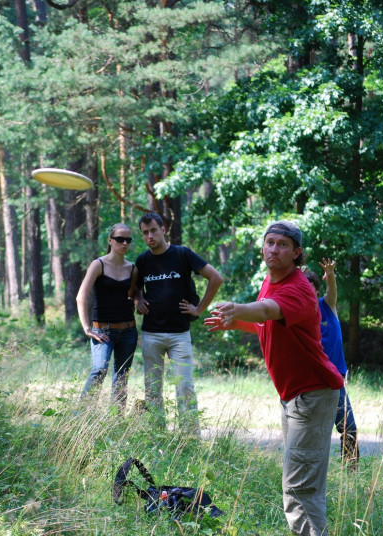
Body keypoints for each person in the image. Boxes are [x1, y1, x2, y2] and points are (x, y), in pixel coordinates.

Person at [205, 220, 344, 536]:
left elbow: (267, 311)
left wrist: (237, 308)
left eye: (283, 245)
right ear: (263, 247)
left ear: (297, 253)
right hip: (295, 396)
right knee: (301, 482)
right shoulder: (271, 282)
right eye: (270, 243)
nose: (275, 249)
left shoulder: (299, 289)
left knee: (299, 489)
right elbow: (267, 323)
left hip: (311, 394)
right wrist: (235, 323)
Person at [134, 213, 223, 435]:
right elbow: (133, 287)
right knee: (152, 388)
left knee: (184, 387)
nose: (150, 236)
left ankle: (190, 439)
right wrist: (138, 299)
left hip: (179, 334)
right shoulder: (142, 260)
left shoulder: (182, 254)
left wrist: (199, 309)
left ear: (163, 229)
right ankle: (157, 435)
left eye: (153, 230)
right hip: (151, 333)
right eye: (145, 232)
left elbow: (216, 278)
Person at [76, 223, 139, 410]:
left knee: (122, 375)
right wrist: (87, 328)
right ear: (110, 240)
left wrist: (139, 300)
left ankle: (116, 421)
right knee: (99, 369)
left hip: (128, 330)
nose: (124, 243)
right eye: (120, 239)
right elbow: (81, 296)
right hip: (101, 330)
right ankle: (81, 417)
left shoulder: (133, 268)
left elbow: (134, 292)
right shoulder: (99, 264)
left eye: (128, 239)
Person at [304, 259, 359, 467]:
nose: (309, 294)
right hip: (314, 382)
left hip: (335, 382)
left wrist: (331, 274)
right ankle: (314, 472)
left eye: (313, 290)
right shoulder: (299, 315)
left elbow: (332, 290)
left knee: (349, 427)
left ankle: (351, 471)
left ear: (318, 291)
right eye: (304, 290)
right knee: (316, 433)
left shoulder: (327, 306)